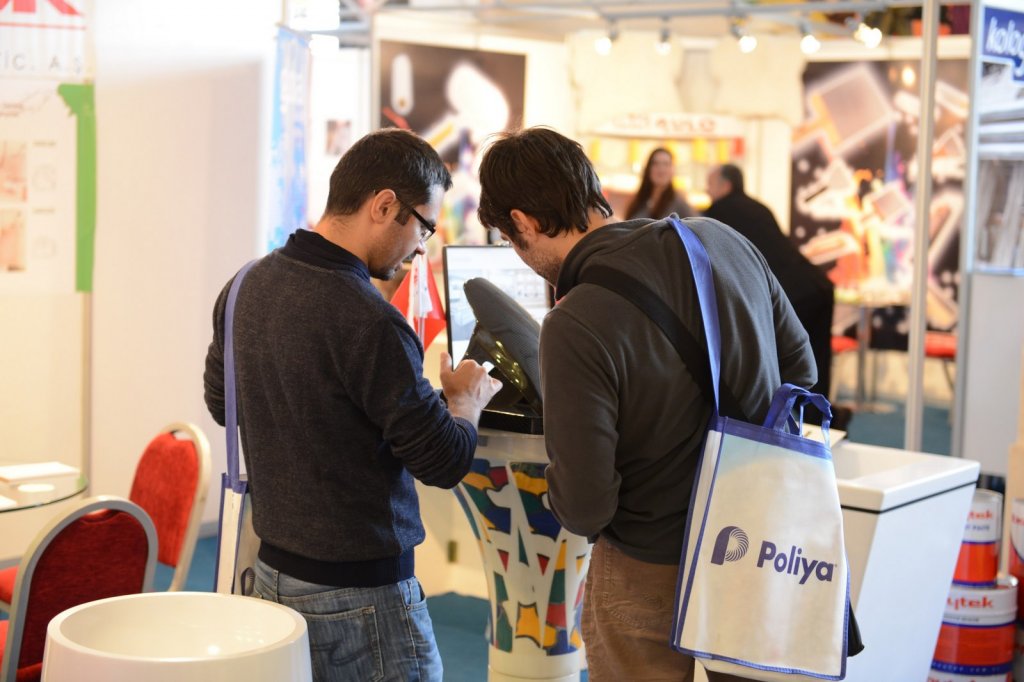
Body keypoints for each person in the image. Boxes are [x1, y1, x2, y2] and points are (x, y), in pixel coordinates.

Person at [476, 127, 816, 682]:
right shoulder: (721, 240)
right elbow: (801, 371)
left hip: (650, 565)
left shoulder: (574, 322)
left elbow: (586, 506)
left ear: (524, 222)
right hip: (760, 544)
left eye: (513, 240)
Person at [203, 128, 501, 682]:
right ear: (384, 206)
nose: (422, 248)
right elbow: (443, 462)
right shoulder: (370, 321)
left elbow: (225, 406)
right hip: (366, 596)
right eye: (424, 227)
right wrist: (464, 402)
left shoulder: (243, 285)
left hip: (268, 576)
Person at [704, 163, 837, 404]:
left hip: (790, 294)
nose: (707, 190)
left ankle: (783, 419)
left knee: (776, 365)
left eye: (710, 184)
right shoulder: (758, 207)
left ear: (726, 185)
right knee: (816, 362)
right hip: (815, 284)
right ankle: (822, 415)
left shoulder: (717, 213)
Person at [623, 147, 695, 220]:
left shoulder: (679, 203)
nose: (661, 169)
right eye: (655, 163)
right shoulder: (638, 201)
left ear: (672, 170)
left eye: (666, 164)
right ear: (648, 168)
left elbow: (696, 224)